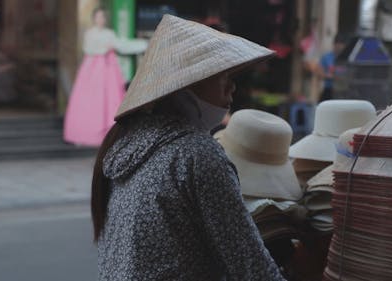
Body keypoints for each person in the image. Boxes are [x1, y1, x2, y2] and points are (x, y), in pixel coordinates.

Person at [91, 14, 286, 281]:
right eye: (222, 75)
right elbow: (251, 267)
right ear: (190, 81)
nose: (233, 86)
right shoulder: (195, 153)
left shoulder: (126, 145)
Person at [63, 8, 147, 146]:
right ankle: (86, 133)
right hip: (93, 71)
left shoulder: (109, 33)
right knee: (90, 101)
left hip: (108, 71)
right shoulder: (90, 33)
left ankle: (109, 133)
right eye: (98, 17)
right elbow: (88, 49)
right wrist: (104, 48)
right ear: (94, 18)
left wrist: (143, 45)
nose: (100, 19)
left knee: (110, 99)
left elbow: (122, 45)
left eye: (102, 17)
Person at [317, 34, 346, 102]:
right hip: (328, 90)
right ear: (334, 44)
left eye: (341, 44)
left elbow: (349, 74)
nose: (339, 47)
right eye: (337, 44)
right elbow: (319, 73)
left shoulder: (346, 59)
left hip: (342, 91)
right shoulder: (326, 57)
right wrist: (330, 76)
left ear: (344, 46)